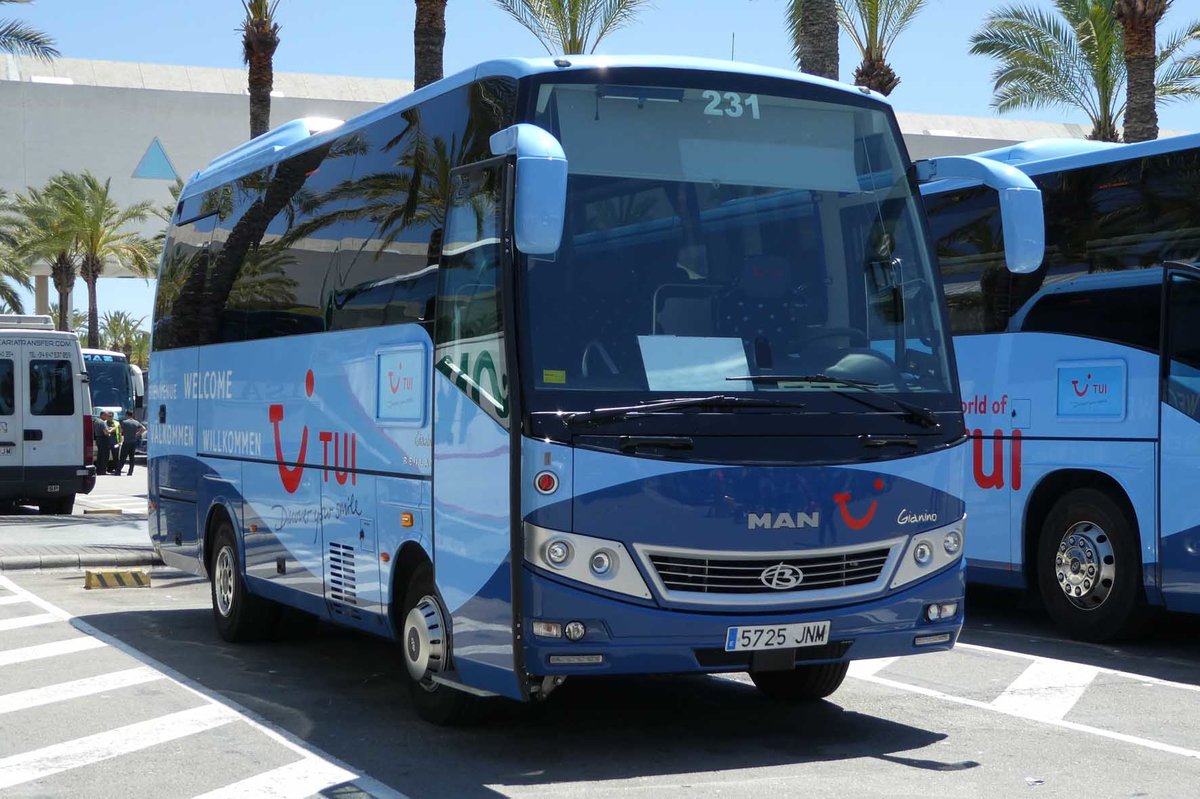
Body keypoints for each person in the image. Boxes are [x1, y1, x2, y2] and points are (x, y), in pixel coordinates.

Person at [117, 410, 146, 476]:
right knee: (132, 458)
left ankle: (118, 471)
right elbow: (144, 428)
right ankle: (130, 472)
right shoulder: (136, 422)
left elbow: (120, 431)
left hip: (126, 442)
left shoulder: (124, 422)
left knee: (123, 457)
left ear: (126, 415)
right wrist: (137, 434)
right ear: (132, 415)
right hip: (133, 442)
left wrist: (121, 438)